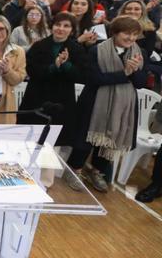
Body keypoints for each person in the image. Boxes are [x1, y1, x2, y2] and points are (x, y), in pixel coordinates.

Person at [61, 16, 147, 193]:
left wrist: (135, 72)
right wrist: (125, 73)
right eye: (126, 34)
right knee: (85, 139)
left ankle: (96, 171)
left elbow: (140, 83)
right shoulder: (96, 50)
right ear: (115, 33)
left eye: (134, 34)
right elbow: (94, 79)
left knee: (111, 137)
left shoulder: (139, 53)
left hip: (123, 106)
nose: (131, 38)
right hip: (94, 102)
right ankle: (74, 170)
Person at [17, 12, 85, 147]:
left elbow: (80, 75)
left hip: (63, 100)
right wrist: (54, 66)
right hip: (37, 96)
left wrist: (66, 65)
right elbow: (31, 70)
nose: (61, 28)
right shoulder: (39, 46)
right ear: (52, 26)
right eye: (58, 24)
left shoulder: (77, 49)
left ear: (72, 30)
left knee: (57, 142)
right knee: (31, 139)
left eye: (66, 26)